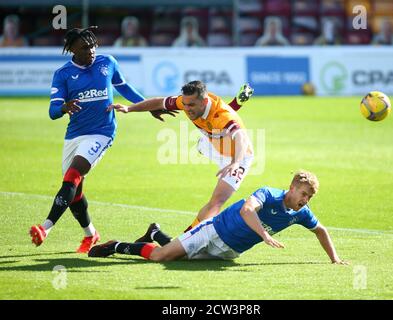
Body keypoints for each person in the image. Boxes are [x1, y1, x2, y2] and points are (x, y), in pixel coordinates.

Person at [28, 26, 175, 253]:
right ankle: (91, 234)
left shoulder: (108, 62)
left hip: (102, 131)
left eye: (93, 46)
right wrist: (63, 108)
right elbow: (52, 111)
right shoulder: (63, 74)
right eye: (85, 48)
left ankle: (45, 228)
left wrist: (149, 107)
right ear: (73, 50)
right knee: (74, 191)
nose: (91, 51)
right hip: (75, 134)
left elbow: (124, 86)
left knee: (72, 175)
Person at [89, 170, 348, 265]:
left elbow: (321, 230)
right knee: (161, 257)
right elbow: (247, 210)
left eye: (309, 197)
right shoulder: (269, 193)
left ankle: (155, 232)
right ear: (292, 188)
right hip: (214, 230)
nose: (306, 200)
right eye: (304, 194)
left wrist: (334, 259)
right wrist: (265, 235)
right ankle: (116, 246)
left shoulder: (300, 213)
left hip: (228, 252)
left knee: (178, 258)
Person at [108, 81, 255, 232]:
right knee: (212, 131)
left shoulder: (223, 115)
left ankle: (188, 236)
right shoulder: (188, 102)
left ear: (204, 101)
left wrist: (236, 163)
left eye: (190, 105)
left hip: (238, 155)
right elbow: (159, 102)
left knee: (217, 201)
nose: (186, 108)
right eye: (184, 104)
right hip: (212, 143)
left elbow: (241, 138)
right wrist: (129, 108)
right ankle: (234, 105)